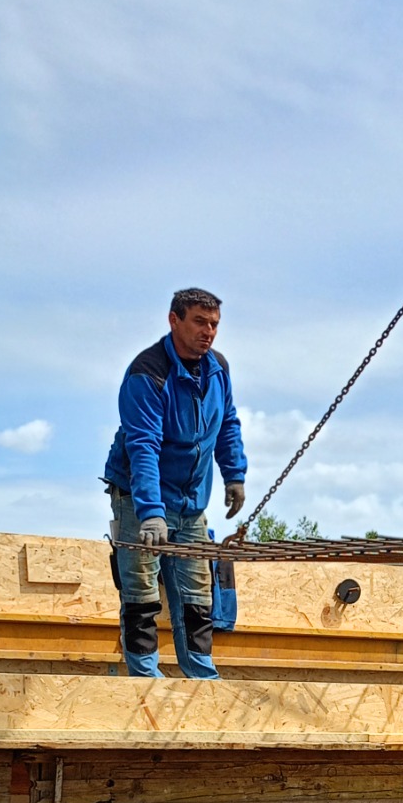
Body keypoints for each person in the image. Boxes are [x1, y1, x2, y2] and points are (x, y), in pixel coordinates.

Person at [103, 287, 246, 679]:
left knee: (198, 597)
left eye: (215, 324)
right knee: (142, 594)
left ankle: (200, 674)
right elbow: (143, 446)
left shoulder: (218, 368)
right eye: (199, 322)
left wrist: (234, 474)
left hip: (191, 503)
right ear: (174, 320)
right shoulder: (147, 373)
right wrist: (151, 514)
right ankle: (144, 677)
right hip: (140, 499)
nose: (209, 332)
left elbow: (227, 423)